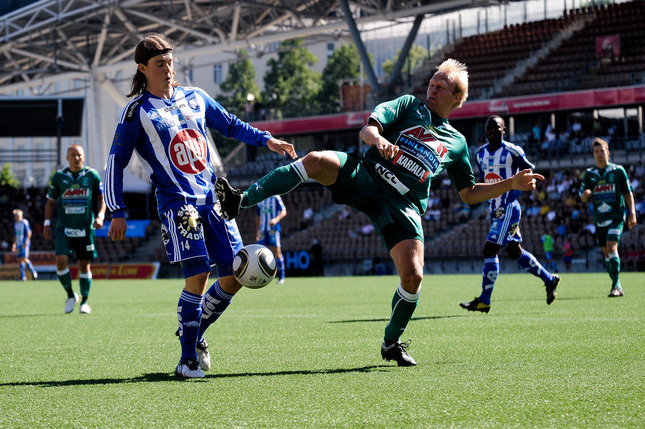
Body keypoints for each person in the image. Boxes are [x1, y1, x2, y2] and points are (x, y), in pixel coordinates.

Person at [215, 59, 544, 366]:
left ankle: (391, 342)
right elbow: (368, 130)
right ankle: (240, 201)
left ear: (457, 96)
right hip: (366, 174)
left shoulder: (457, 143)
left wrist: (510, 183)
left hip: (404, 205)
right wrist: (378, 141)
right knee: (314, 160)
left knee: (413, 277)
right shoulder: (408, 105)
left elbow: (469, 193)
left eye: (441, 87)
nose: (432, 89)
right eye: (432, 82)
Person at [104, 33, 296, 378]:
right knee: (197, 275)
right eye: (160, 64)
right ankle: (187, 360)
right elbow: (114, 162)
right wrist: (117, 211)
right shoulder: (135, 112)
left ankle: (194, 335)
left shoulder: (196, 97)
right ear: (142, 69)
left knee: (235, 275)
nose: (167, 70)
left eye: (170, 62)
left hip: (214, 200)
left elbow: (232, 125)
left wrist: (267, 139)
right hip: (178, 204)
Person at [459, 116, 560, 314]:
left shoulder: (513, 151)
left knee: (490, 251)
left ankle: (484, 301)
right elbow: (483, 181)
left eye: (496, 127)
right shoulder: (480, 155)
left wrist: (515, 192)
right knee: (514, 251)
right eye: (489, 128)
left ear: (504, 129)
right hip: (494, 210)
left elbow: (528, 173)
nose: (492, 131)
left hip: (508, 209)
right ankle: (550, 279)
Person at [43, 145, 105, 314]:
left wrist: (100, 216)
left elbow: (101, 198)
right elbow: (50, 202)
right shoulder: (59, 177)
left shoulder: (91, 175)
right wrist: (47, 224)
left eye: (79, 155)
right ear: (67, 157)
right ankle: (71, 295)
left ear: (84, 157)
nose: (76, 158)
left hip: (85, 228)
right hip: (64, 228)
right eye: (73, 155)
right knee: (60, 261)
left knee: (84, 265)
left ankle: (84, 302)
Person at [579, 138, 637, 297]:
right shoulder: (590, 174)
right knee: (606, 253)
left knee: (612, 246)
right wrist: (585, 196)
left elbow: (627, 193)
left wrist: (632, 212)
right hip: (600, 219)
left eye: (602, 151)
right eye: (596, 152)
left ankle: (616, 286)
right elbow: (582, 195)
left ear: (608, 152)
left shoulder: (618, 171)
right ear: (593, 154)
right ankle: (615, 281)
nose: (599, 154)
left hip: (616, 216)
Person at [256, 195, 287, 284]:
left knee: (277, 252)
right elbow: (257, 216)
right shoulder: (260, 198)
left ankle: (281, 277)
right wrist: (257, 231)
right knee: (258, 253)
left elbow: (284, 211)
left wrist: (276, 219)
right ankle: (259, 276)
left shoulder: (275, 197)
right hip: (262, 230)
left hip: (273, 229)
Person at [12, 209, 38, 281]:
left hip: (24, 244)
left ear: (20, 216)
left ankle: (33, 272)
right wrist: (14, 244)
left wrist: (26, 242)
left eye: (16, 215)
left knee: (24, 258)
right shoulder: (15, 224)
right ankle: (23, 277)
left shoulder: (24, 222)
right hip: (18, 244)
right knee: (19, 260)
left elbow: (29, 232)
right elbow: (15, 235)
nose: (15, 217)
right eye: (15, 215)